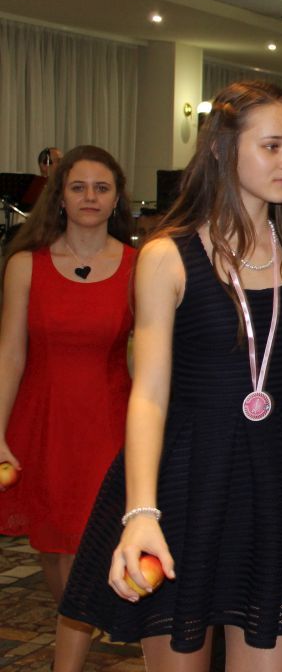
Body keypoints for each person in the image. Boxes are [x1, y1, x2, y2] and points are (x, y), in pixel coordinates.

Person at [58, 80, 282, 671]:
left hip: (275, 475)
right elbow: (150, 394)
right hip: (188, 476)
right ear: (222, 148)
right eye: (272, 146)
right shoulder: (168, 255)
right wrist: (141, 512)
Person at [0, 145, 136, 672]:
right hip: (42, 422)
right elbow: (10, 354)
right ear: (59, 196)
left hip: (108, 424)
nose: (90, 197)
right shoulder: (24, 265)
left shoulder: (138, 266)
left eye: (102, 188)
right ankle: (73, 641)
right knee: (56, 549)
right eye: (78, 187)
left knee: (89, 548)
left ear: (117, 198)